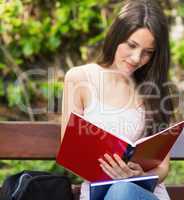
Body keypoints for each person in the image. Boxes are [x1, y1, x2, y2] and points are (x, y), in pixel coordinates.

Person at [61, 0, 174, 199]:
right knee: (119, 190)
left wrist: (140, 175)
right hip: (99, 192)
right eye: (131, 45)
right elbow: (71, 154)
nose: (136, 58)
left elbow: (163, 167)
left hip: (143, 194)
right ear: (116, 36)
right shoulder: (80, 79)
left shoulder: (154, 90)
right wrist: (112, 174)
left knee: (123, 190)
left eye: (148, 52)